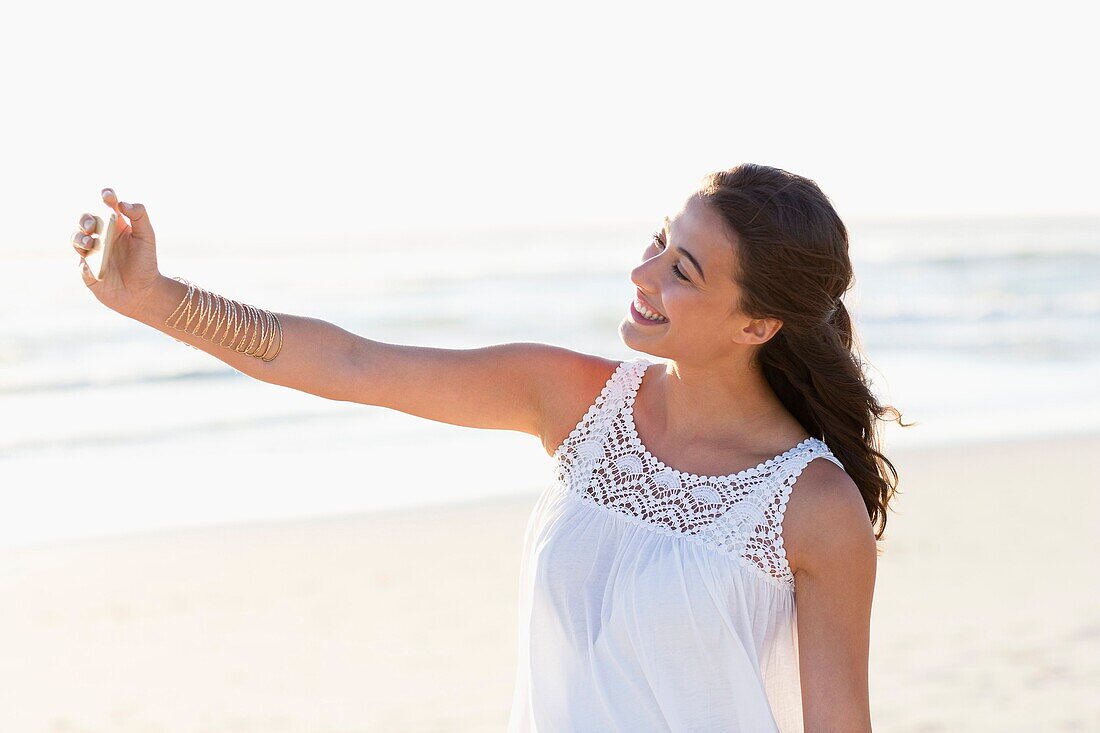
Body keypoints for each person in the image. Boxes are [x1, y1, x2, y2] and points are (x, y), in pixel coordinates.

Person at [70, 163, 904, 732]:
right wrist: (156, 300)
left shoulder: (812, 506)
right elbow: (351, 362)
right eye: (658, 239)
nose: (642, 272)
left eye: (682, 268)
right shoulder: (579, 402)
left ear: (758, 323)